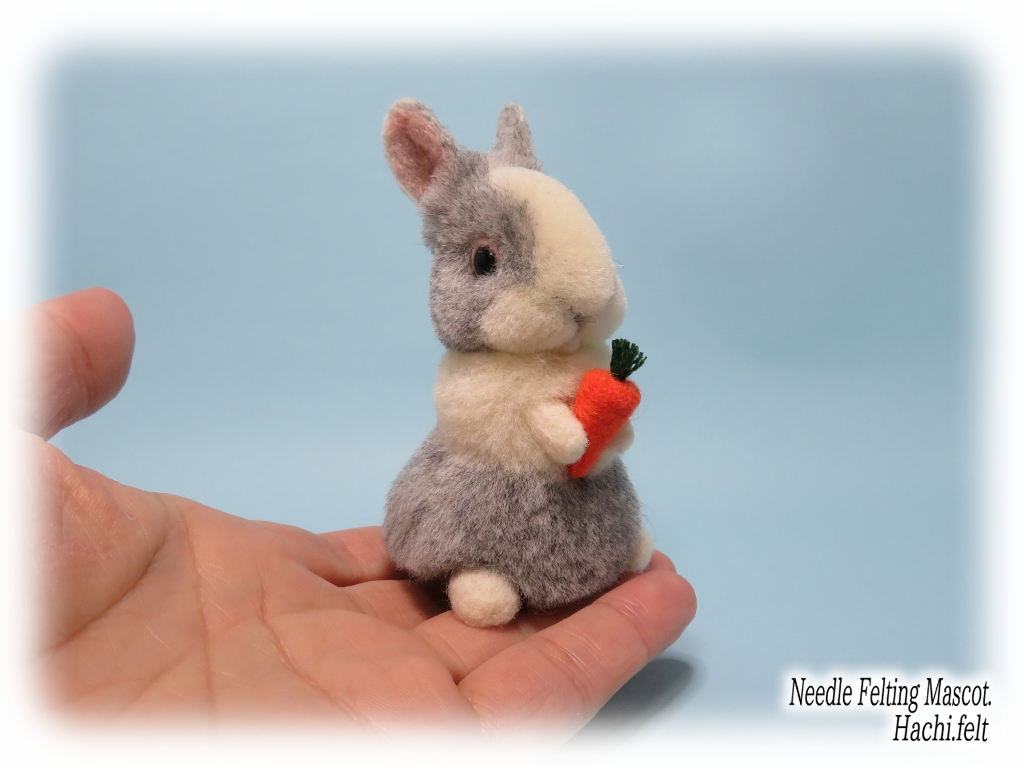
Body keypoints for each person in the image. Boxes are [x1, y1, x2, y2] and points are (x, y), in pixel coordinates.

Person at [24, 287, 696, 732]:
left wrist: (603, 425)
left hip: (583, 485)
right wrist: (551, 427)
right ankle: (482, 570)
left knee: (598, 496)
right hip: (492, 485)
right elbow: (492, 427)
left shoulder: (586, 359)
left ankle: (608, 548)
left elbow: (598, 444)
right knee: (478, 513)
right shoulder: (472, 378)